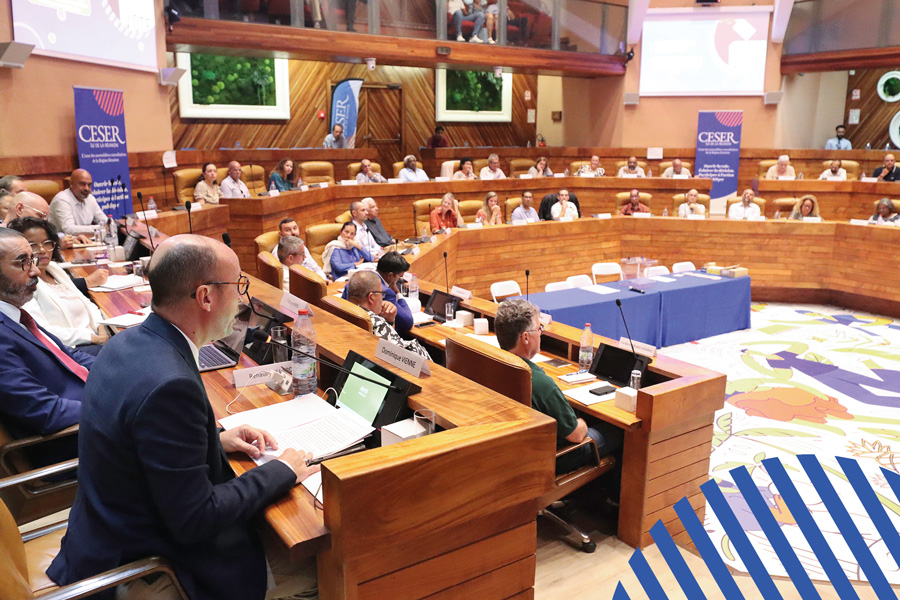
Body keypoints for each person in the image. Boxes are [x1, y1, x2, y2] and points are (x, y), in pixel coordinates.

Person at [47, 234, 319, 600]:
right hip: (148, 571)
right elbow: (197, 519)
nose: (242, 300)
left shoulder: (124, 343)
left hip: (102, 538)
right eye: (238, 286)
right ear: (205, 296)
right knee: (321, 563)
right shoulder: (170, 386)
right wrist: (283, 470)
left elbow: (138, 441)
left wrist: (215, 440)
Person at [0, 228, 94, 467]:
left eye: (32, 260)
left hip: (89, 413)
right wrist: (117, 405)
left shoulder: (14, 315)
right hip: (72, 445)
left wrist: (130, 377)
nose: (34, 271)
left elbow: (68, 355)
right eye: (22, 263)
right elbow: (45, 412)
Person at [495, 299, 622, 473]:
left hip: (511, 450)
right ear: (525, 337)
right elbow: (576, 435)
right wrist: (583, 422)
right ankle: (608, 499)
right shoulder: (540, 383)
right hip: (553, 458)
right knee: (618, 430)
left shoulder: (493, 364)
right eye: (539, 329)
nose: (541, 333)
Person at [9, 217, 108, 353]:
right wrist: (94, 339)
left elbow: (87, 302)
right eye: (33, 245)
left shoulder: (54, 268)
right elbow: (42, 330)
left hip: (96, 338)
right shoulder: (24, 283)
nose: (42, 250)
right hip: (71, 349)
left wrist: (101, 329)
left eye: (47, 243)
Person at [345, 270, 430, 359]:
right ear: (371, 297)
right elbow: (404, 357)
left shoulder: (345, 309)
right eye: (381, 293)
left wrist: (390, 320)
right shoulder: (376, 322)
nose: (382, 298)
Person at [342, 251, 414, 338]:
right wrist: (398, 293)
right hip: (371, 337)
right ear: (390, 275)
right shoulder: (386, 292)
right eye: (399, 277)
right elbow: (407, 322)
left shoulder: (357, 280)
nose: (399, 280)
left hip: (347, 329)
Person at [49, 169, 107, 236]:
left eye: (89, 185)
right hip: (64, 243)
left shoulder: (90, 198)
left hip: (86, 241)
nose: (87, 188)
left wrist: (107, 225)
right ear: (71, 183)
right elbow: (69, 229)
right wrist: (99, 228)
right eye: (82, 184)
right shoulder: (62, 199)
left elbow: (104, 221)